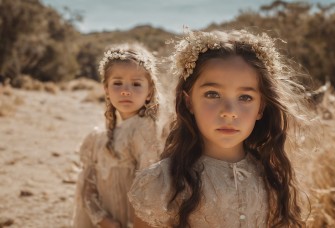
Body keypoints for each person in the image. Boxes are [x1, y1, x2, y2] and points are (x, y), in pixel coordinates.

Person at [128, 30, 307, 227]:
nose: (229, 112)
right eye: (212, 94)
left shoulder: (273, 178)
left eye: (245, 97)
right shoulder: (161, 183)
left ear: (261, 108)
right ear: (188, 102)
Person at [73, 43, 164, 228]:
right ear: (106, 89)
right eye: (117, 83)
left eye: (136, 84)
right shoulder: (97, 137)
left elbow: (149, 189)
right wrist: (102, 220)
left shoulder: (145, 130)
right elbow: (87, 186)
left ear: (149, 92)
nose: (125, 90)